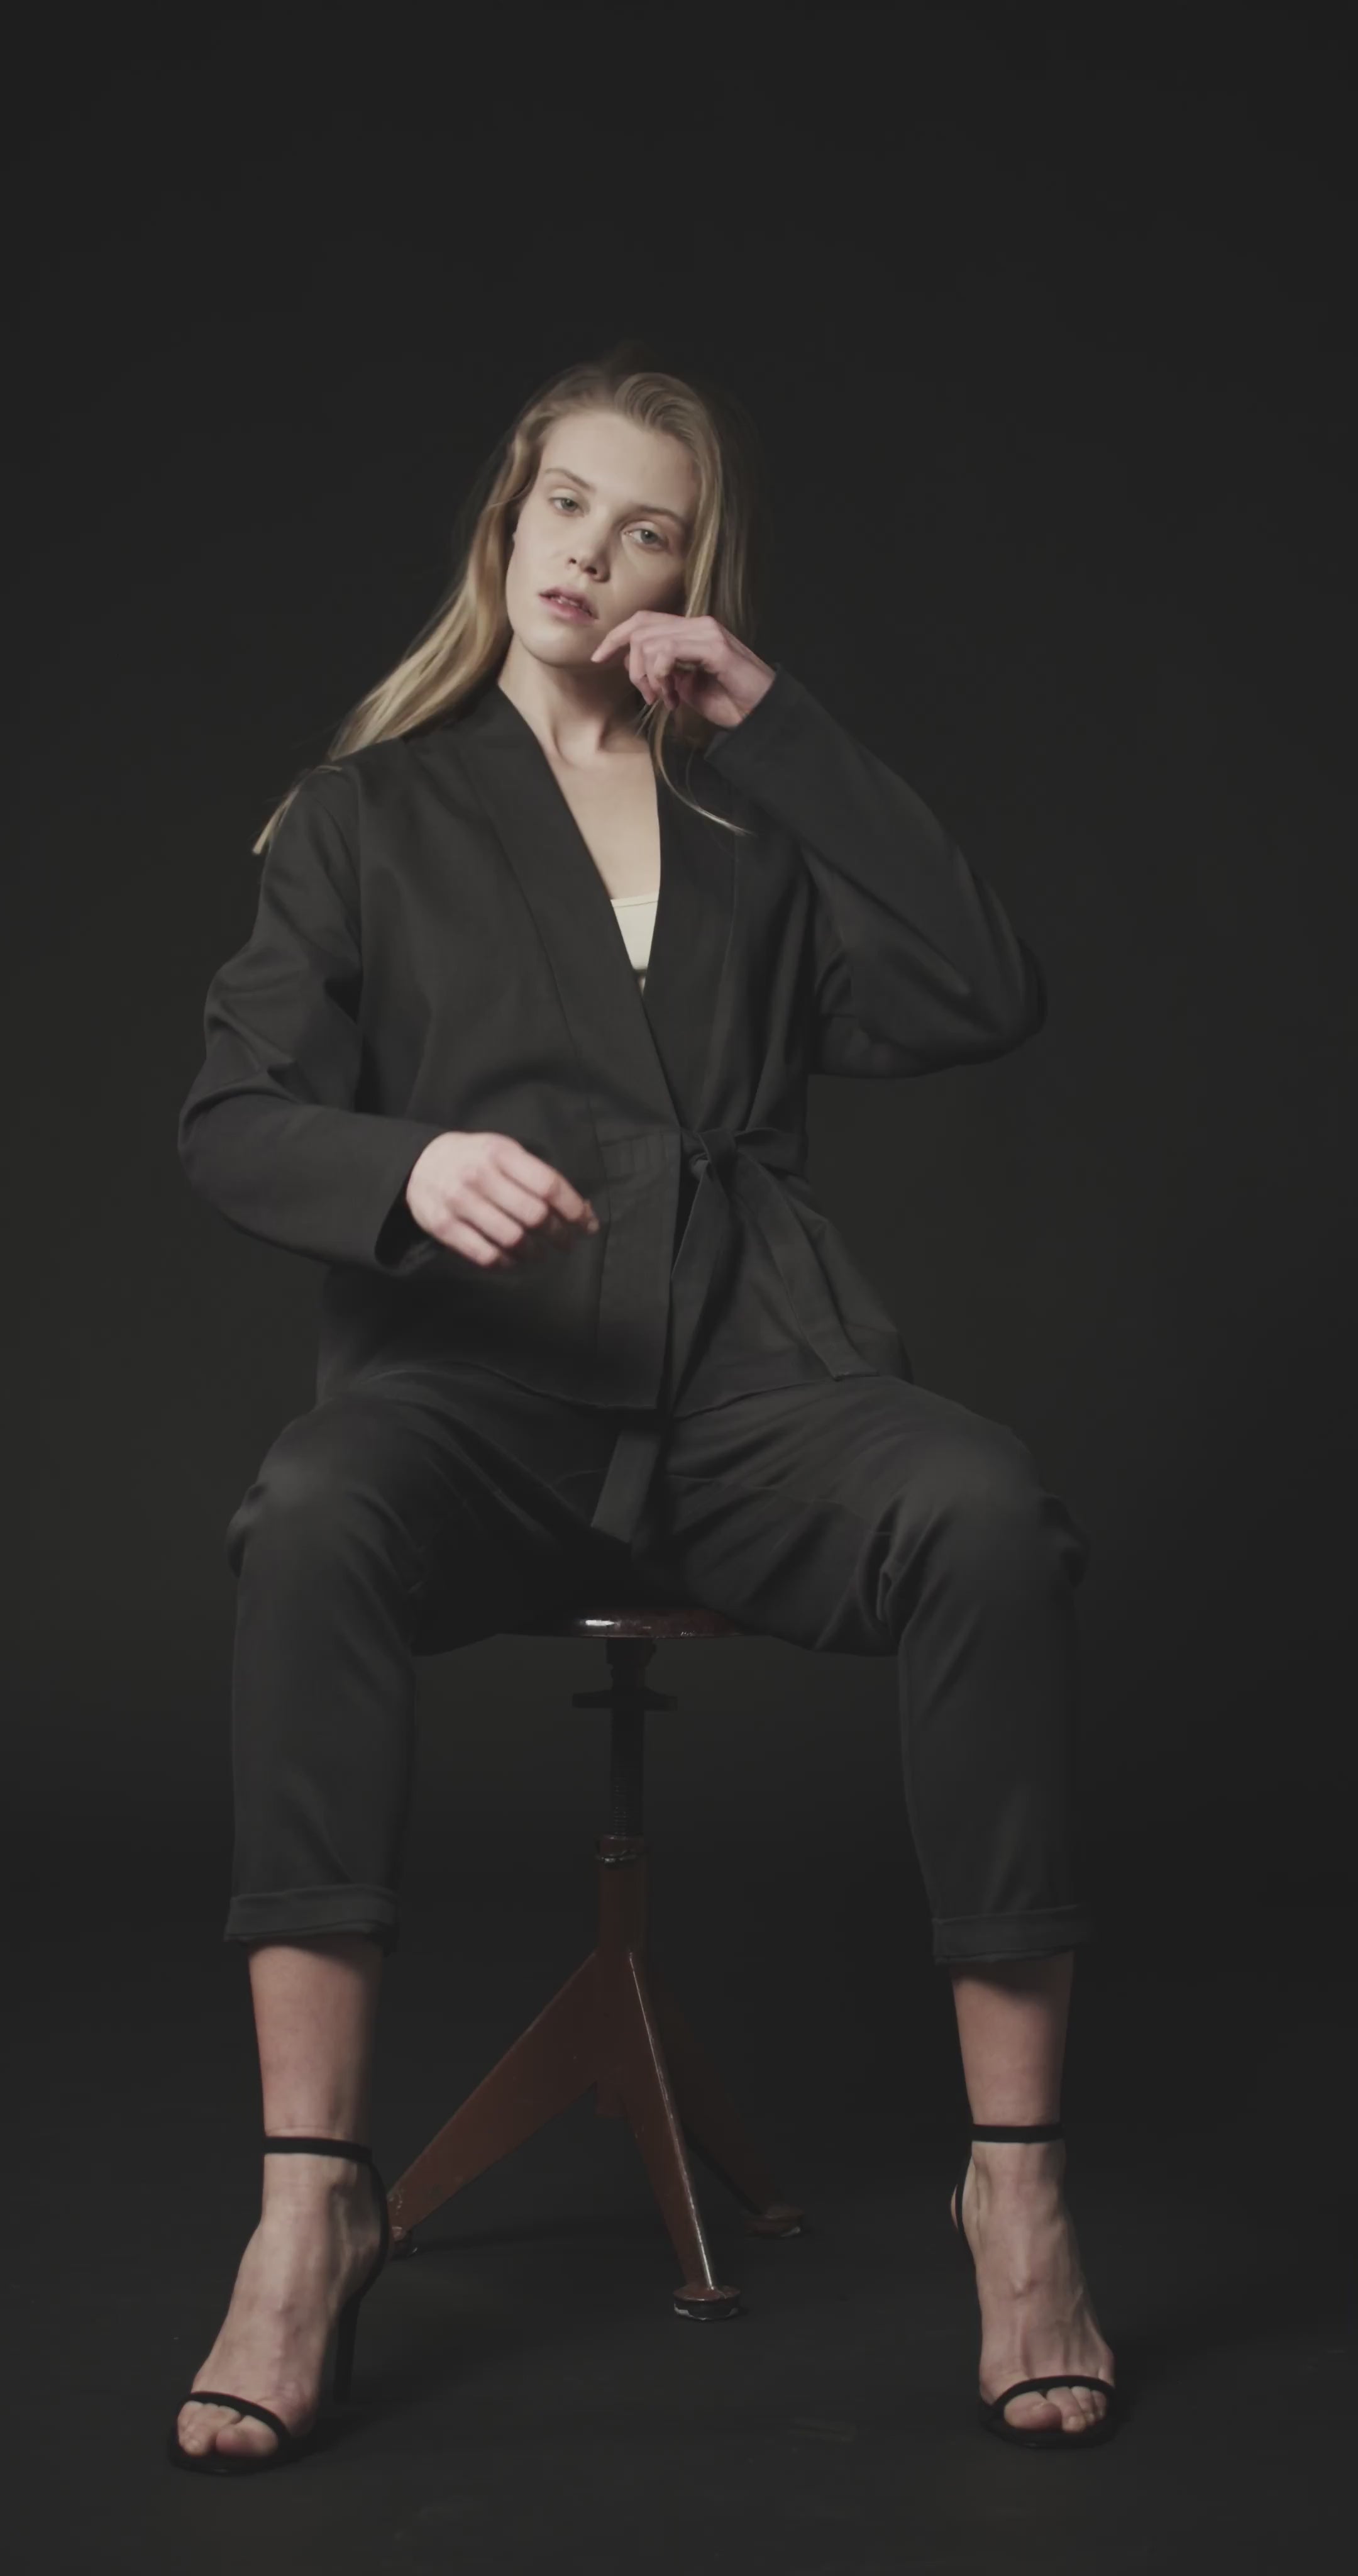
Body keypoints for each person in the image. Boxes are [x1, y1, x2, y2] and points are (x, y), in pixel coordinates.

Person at [169, 343, 1117, 2472]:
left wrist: (781, 727)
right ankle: (307, 2207)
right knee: (311, 1511)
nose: (593, 555)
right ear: (509, 524)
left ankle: (1019, 2194)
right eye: (567, 506)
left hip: (753, 1392)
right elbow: (230, 1118)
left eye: (649, 529)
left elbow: (984, 986)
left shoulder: (749, 825)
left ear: (697, 576)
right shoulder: (368, 818)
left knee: (983, 1508)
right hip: (481, 1396)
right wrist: (405, 1166)